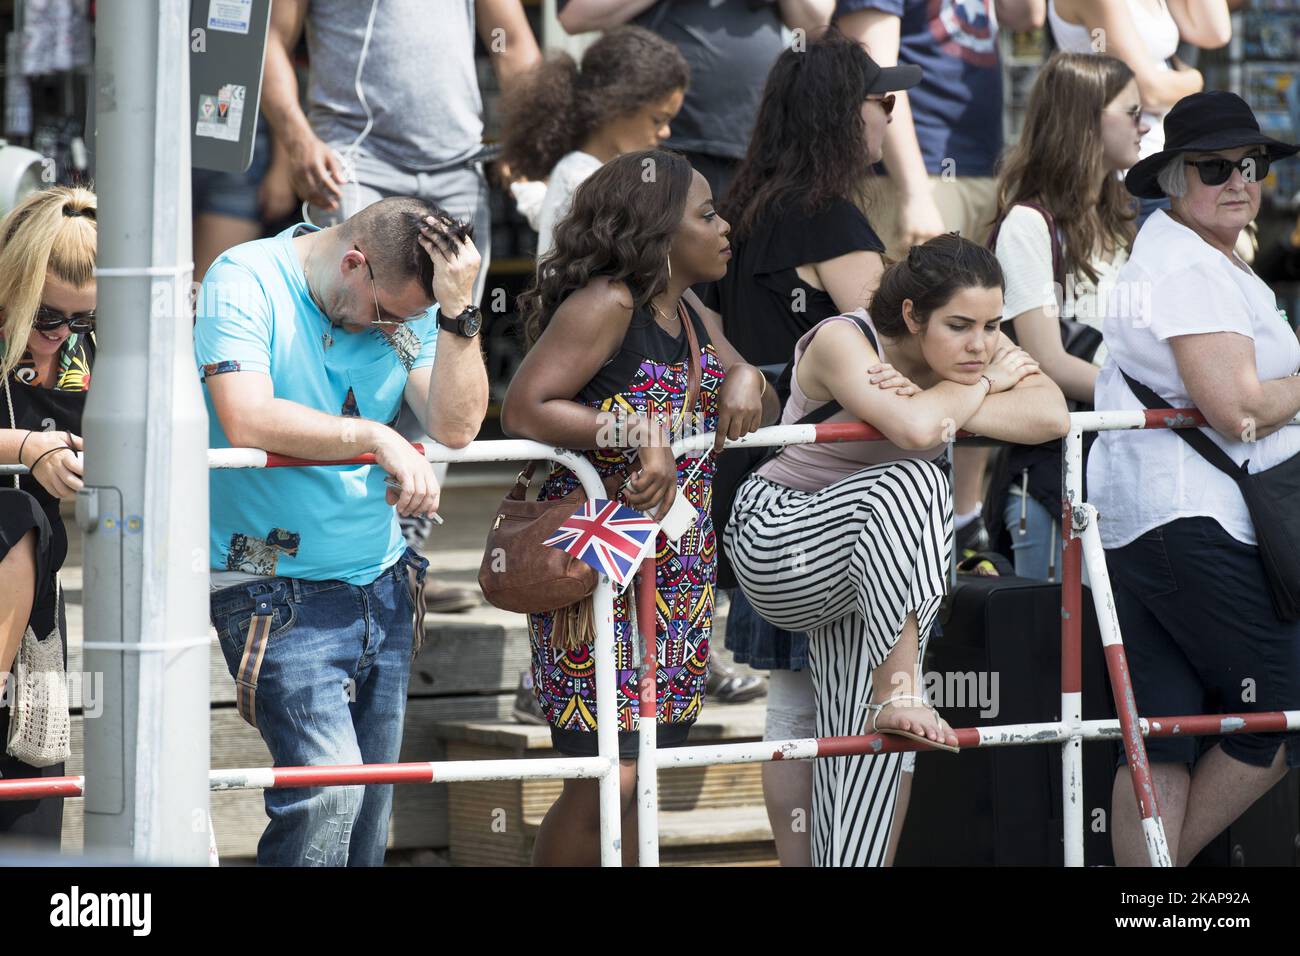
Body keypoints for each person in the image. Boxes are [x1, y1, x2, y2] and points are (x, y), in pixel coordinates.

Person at [726, 234, 1071, 867]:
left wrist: (946, 398)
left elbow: (1052, 413)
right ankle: (902, 689)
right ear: (912, 315)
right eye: (961, 326)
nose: (980, 343)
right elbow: (916, 433)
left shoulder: (974, 349)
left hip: (877, 568)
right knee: (917, 476)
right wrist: (984, 389)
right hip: (781, 539)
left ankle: (890, 713)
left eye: (993, 326)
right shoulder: (844, 339)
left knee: (871, 757)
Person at [501, 149, 777, 866]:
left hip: (677, 577)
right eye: (707, 213)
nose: (725, 227)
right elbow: (525, 408)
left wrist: (746, 373)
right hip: (598, 569)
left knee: (639, 774)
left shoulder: (689, 312)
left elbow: (757, 403)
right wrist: (638, 429)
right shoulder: (608, 304)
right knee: (607, 777)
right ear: (658, 230)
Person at [195, 197, 488, 866]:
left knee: (362, 817)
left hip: (382, 577)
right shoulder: (243, 276)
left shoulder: (405, 311)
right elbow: (246, 417)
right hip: (265, 574)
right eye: (391, 312)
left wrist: (458, 313)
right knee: (329, 793)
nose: (396, 328)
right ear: (355, 263)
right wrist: (375, 437)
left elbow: (456, 427)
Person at [705, 29, 919, 866]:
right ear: (843, 115)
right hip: (830, 478)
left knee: (793, 698)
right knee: (853, 693)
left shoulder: (745, 204)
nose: (892, 122)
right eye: (884, 105)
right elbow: (897, 340)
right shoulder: (826, 214)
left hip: (757, 477)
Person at [261, 0, 540, 611]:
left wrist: (529, 138)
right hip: (356, 160)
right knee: (356, 339)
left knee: (438, 346)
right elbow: (269, 42)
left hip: (458, 165)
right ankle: (323, 543)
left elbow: (513, 41)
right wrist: (296, 137)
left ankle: (406, 549)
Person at [1090, 91, 1300, 866]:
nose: (1240, 181)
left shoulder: (1190, 254)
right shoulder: (1183, 264)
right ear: (1174, 178)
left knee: (1163, 739)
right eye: (1216, 168)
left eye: (1250, 166)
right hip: (1191, 527)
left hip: (1151, 525)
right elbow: (1239, 410)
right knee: (1281, 716)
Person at [835, 0, 1045, 567]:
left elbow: (1027, 17)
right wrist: (913, 188)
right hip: (920, 168)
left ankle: (963, 513)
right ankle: (903, 518)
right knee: (922, 336)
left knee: (974, 339)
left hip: (979, 164)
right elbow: (873, 72)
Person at [985, 52, 1145, 578]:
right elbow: (1046, 359)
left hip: (1120, 462)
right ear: (1088, 119)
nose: (1144, 125)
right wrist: (1145, 397)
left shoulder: (1122, 218)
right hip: (1053, 474)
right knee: (1053, 653)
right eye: (1132, 111)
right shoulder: (1028, 225)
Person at [0, 186, 97, 846]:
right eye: (46, 318)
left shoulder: (91, 357)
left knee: (30, 837)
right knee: (19, 508)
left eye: (82, 322)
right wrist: (26, 447)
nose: (61, 338)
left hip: (31, 622)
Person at [556, 0, 835, 202]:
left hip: (756, 143)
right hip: (662, 146)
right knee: (660, 266)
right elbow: (575, 15)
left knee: (744, 270)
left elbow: (814, 24)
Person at [500, 25, 688, 258]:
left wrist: (523, 186)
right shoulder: (585, 180)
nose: (666, 132)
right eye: (658, 120)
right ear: (615, 105)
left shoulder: (580, 173)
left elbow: (545, 212)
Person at [1047, 0, 1231, 224]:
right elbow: (1147, 91)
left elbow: (1215, 32)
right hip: (1117, 177)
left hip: (1161, 163)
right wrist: (1195, 80)